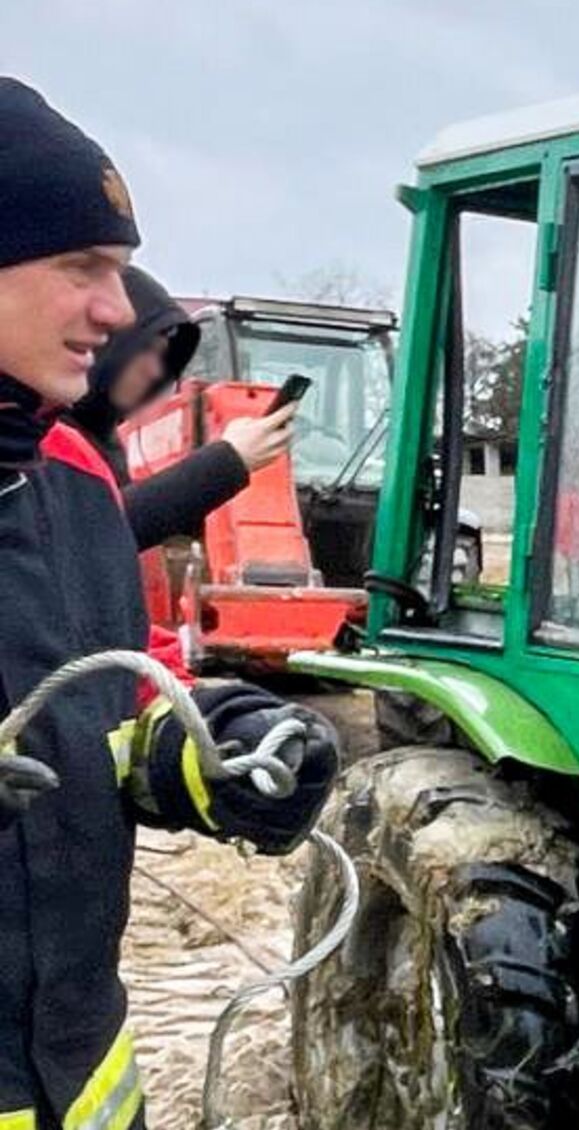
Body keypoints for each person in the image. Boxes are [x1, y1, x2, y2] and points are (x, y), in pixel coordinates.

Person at [0, 80, 340, 1130]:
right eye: (81, 266)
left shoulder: (71, 478)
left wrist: (221, 747)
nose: (116, 310)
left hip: (80, 1076)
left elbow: (116, 698)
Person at [65, 265, 295, 548]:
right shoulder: (44, 439)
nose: (154, 371)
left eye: (162, 357)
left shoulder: (101, 439)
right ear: (106, 342)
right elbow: (96, 533)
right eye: (145, 349)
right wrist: (229, 460)